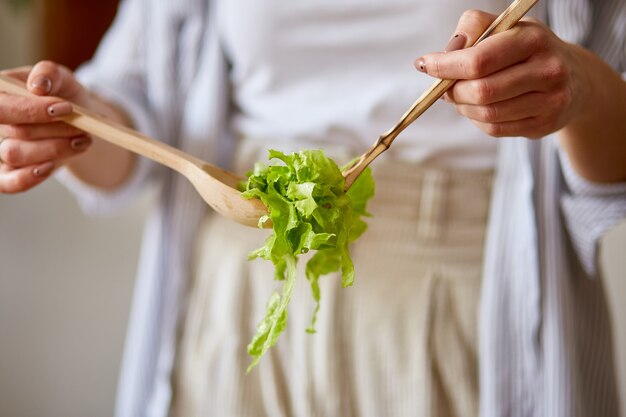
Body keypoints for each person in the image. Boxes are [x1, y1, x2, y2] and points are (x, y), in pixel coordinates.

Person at [1, 0, 625, 416]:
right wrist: (77, 126)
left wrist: (584, 88)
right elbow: (141, 113)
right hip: (231, 304)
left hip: (466, 302)